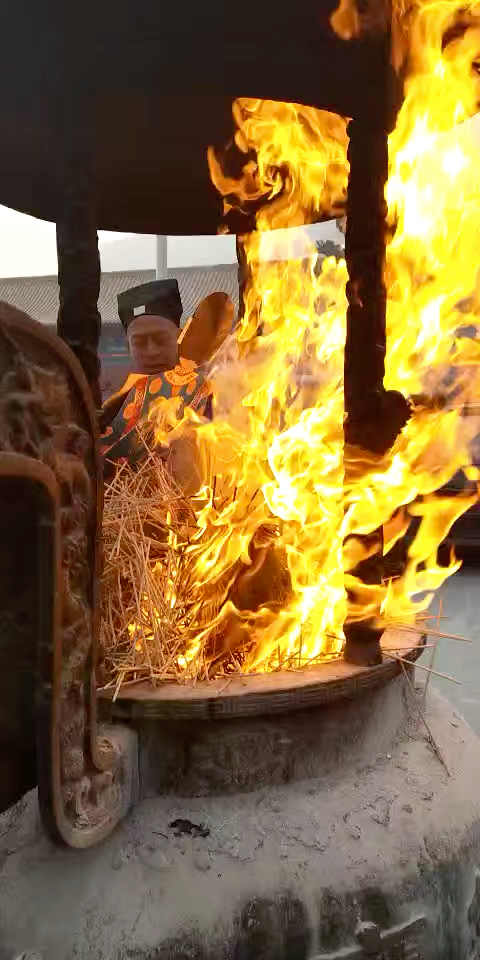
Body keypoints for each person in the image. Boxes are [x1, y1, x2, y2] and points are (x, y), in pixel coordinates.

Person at [100, 285, 234, 468]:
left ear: (180, 337)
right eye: (140, 343)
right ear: (128, 347)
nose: (151, 351)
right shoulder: (134, 389)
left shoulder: (208, 390)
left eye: (160, 339)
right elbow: (110, 441)